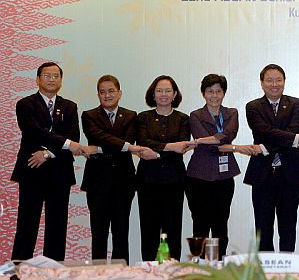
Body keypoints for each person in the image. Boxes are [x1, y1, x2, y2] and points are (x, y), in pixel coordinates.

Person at [11, 62, 85, 261]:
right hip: (32, 171)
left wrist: (47, 153)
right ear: (37, 79)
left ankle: (54, 270)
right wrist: (66, 144)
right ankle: (19, 270)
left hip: (59, 172)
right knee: (27, 223)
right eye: (47, 75)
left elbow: (73, 135)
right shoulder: (25, 104)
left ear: (61, 80)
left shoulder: (69, 106)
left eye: (55, 76)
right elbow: (34, 132)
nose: (51, 79)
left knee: (57, 224)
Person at [82, 75, 152, 264]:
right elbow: (97, 135)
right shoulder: (89, 115)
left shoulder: (131, 116)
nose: (107, 95)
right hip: (97, 183)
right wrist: (123, 146)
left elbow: (125, 139)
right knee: (99, 232)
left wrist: (99, 148)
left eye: (111, 91)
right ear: (98, 95)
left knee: (121, 231)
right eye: (102, 92)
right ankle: (97, 274)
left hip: (124, 182)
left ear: (119, 93)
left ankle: (122, 274)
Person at [245, 64, 299, 253]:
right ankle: (264, 274)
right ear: (262, 83)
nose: (274, 84)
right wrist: (295, 140)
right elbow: (263, 131)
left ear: (284, 82)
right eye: (269, 80)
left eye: (278, 80)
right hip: (262, 175)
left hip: (289, 174)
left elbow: (292, 131)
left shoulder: (295, 103)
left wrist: (265, 148)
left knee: (288, 226)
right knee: (263, 228)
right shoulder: (253, 107)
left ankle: (287, 272)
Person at [186, 74, 249, 257]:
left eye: (218, 91)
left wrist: (202, 141)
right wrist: (215, 141)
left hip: (224, 177)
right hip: (198, 177)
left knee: (221, 223)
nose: (214, 96)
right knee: (200, 223)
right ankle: (199, 264)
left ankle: (219, 262)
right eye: (210, 91)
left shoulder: (232, 113)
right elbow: (218, 140)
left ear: (224, 93)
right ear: (203, 93)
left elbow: (229, 135)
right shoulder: (195, 115)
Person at [136, 75, 194, 261]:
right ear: (153, 94)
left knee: (172, 228)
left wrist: (158, 151)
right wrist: (170, 147)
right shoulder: (143, 117)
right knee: (149, 227)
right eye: (159, 90)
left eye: (168, 90)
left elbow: (182, 147)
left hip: (174, 181)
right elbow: (144, 142)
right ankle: (149, 269)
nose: (163, 94)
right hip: (147, 181)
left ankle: (171, 269)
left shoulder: (183, 119)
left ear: (175, 94)